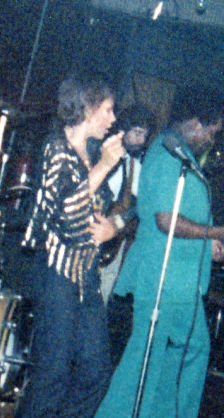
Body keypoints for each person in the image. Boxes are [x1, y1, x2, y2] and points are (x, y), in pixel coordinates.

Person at [82, 88, 224, 418]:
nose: (212, 139)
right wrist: (217, 232)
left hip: (183, 280)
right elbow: (164, 219)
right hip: (162, 276)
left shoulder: (183, 156)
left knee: (193, 347)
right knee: (146, 356)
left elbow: (184, 214)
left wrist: (208, 242)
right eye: (212, 131)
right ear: (196, 123)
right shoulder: (165, 154)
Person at [0, 74, 125, 418]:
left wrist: (113, 227)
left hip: (86, 280)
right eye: (107, 108)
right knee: (50, 379)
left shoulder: (92, 153)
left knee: (95, 374)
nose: (112, 118)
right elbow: (67, 213)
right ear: (86, 107)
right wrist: (104, 167)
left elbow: (109, 214)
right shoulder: (55, 150)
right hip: (56, 276)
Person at [97, 103, 155, 303]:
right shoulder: (104, 153)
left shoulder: (135, 165)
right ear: (123, 129)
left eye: (145, 135)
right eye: (137, 133)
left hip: (115, 243)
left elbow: (137, 206)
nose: (142, 140)